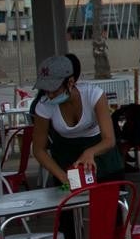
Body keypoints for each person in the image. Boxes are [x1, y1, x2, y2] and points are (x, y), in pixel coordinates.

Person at [31, 54, 124, 185]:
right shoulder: (44, 105)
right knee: (68, 202)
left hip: (102, 155)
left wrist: (90, 152)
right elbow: (38, 150)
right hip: (66, 156)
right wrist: (62, 176)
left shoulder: (93, 94)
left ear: (70, 82)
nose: (50, 95)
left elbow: (109, 140)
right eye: (46, 90)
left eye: (54, 90)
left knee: (109, 201)